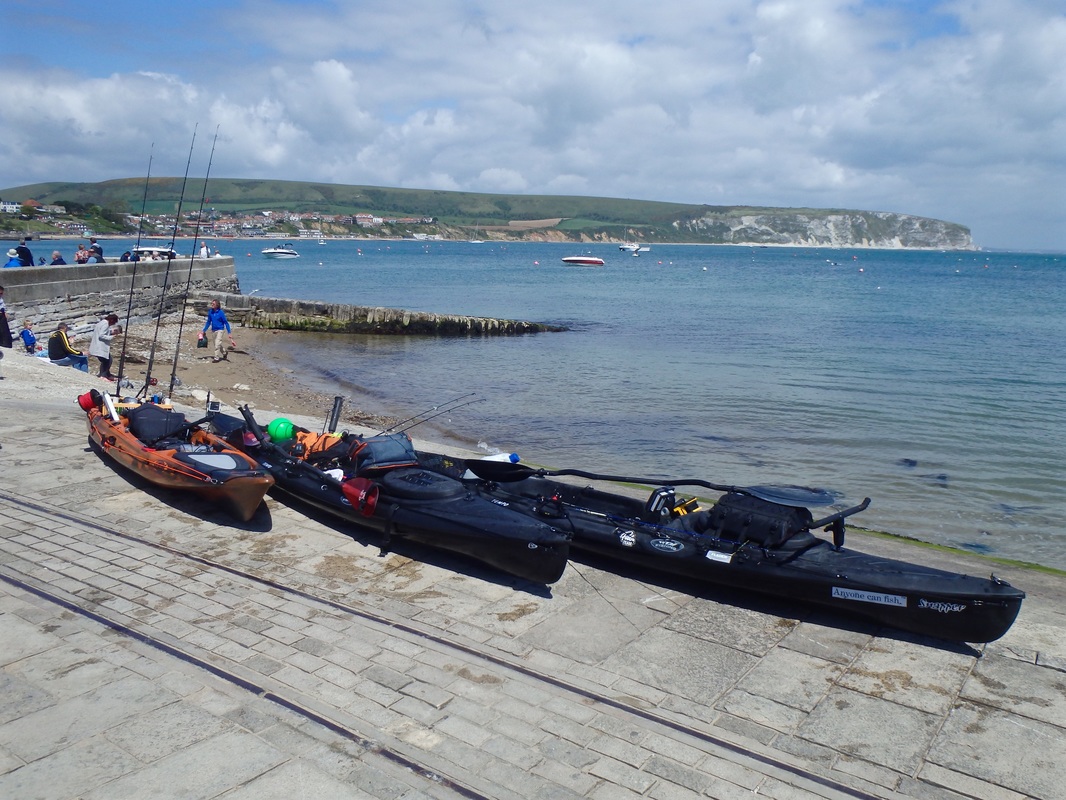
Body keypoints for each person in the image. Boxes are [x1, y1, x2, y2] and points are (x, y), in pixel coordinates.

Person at [201, 298, 235, 362]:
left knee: (217, 344)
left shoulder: (221, 313)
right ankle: (224, 352)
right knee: (217, 344)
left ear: (217, 305)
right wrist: (203, 330)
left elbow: (226, 323)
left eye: (213, 304)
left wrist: (229, 333)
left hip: (220, 330)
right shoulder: (210, 312)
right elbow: (208, 322)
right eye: (212, 303)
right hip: (214, 330)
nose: (212, 305)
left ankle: (216, 358)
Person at [89, 313, 121, 380]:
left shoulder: (102, 323)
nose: (113, 324)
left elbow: (103, 332)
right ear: (112, 320)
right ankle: (103, 376)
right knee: (107, 360)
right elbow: (101, 335)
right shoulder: (106, 324)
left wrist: (111, 332)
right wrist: (112, 337)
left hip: (97, 346)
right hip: (100, 346)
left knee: (107, 360)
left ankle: (107, 374)